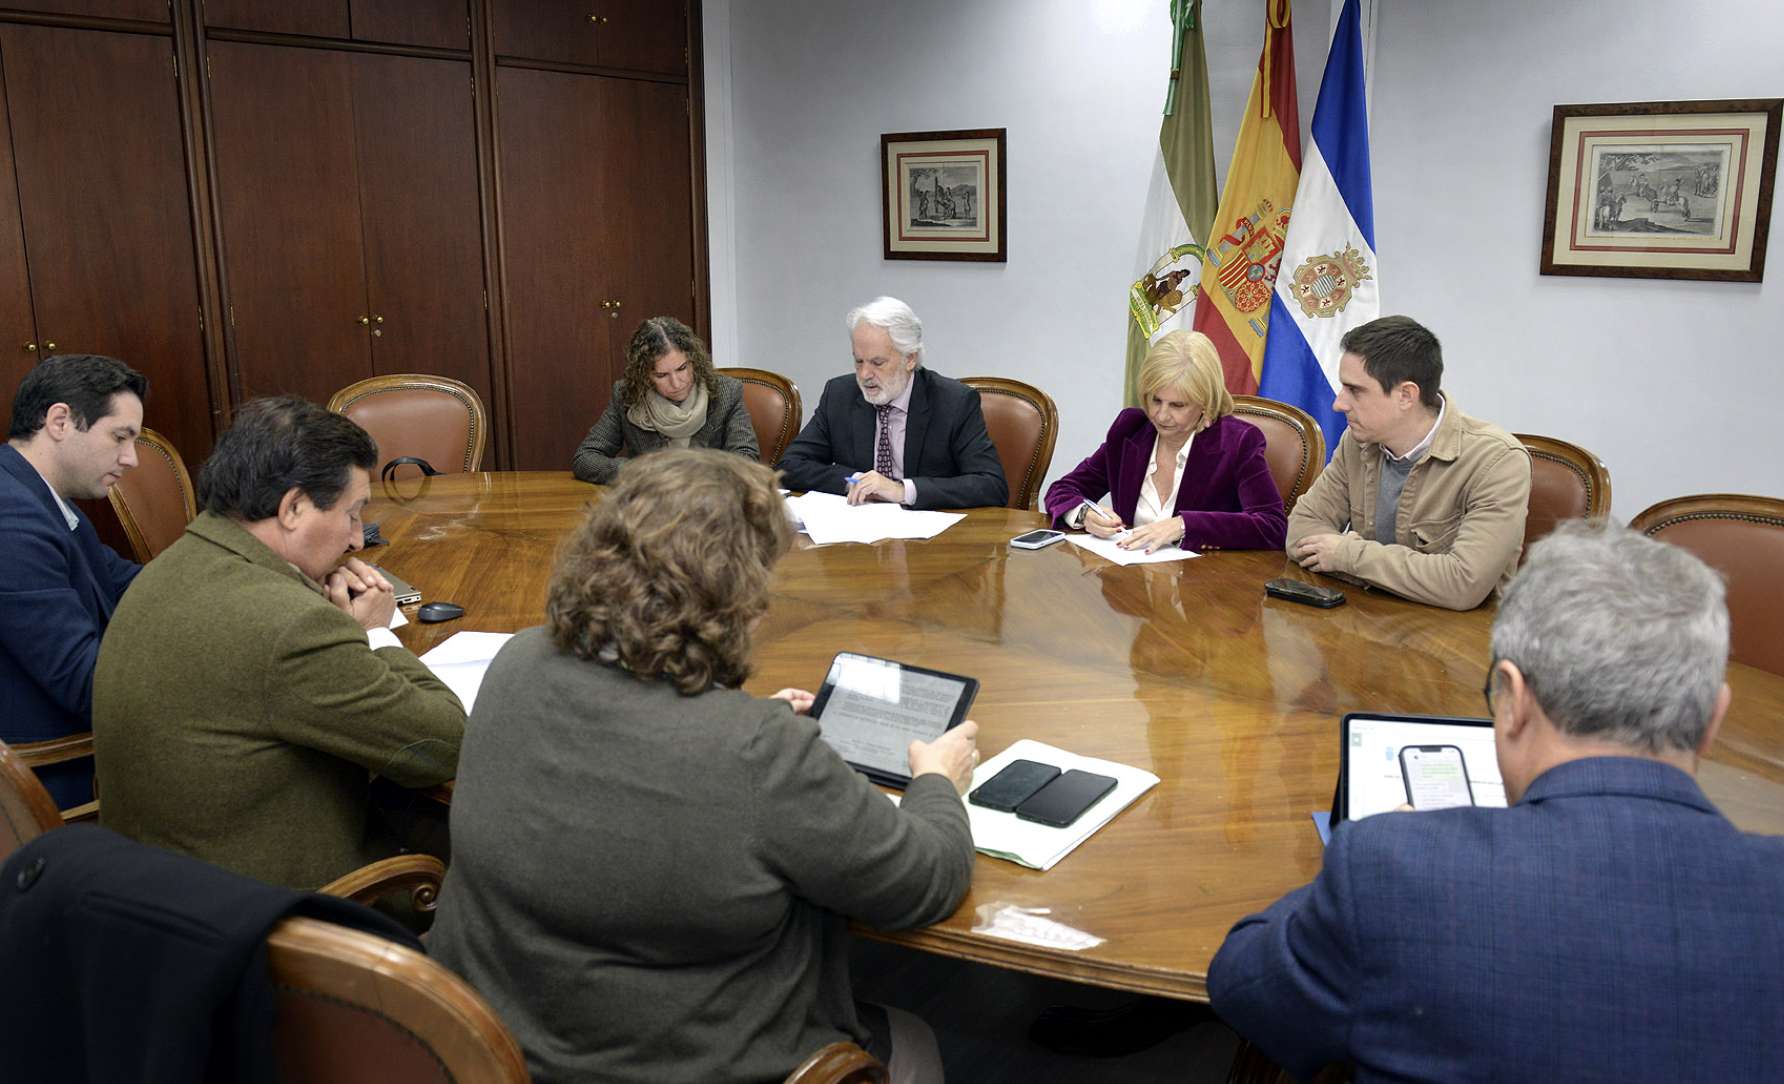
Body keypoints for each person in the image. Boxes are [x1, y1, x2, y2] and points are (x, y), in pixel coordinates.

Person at [429, 448, 978, 1084]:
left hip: (484, 1044)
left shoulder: (518, 664)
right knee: (914, 1041)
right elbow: (923, 883)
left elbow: (633, 754)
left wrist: (736, 719)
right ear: (736, 591)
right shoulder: (758, 752)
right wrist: (937, 780)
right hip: (675, 1061)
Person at [1207, 523, 1784, 1083]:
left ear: (1512, 701)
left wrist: (1373, 855)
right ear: (1714, 718)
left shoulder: (1396, 871)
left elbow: (1241, 985)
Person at [92, 397, 465, 891]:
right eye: (353, 514)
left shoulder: (176, 563)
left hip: (160, 885)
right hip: (274, 918)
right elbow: (446, 745)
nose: (357, 540)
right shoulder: (291, 626)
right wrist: (374, 632)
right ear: (292, 508)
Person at [1285, 315, 1530, 610]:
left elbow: (1462, 584)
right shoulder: (1357, 441)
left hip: (1455, 642)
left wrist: (1348, 555)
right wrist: (1401, 573)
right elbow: (1301, 531)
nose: (1339, 403)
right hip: (1367, 622)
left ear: (1405, 395)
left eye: (1355, 390)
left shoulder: (1498, 461)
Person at [0, 354, 147, 809]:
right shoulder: (11, 519)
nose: (132, 458)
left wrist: (263, 579)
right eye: (120, 437)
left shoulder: (36, 495)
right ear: (60, 420)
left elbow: (127, 582)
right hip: (51, 780)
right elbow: (86, 682)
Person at [1043, 329, 1285, 553]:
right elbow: (1062, 490)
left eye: (1177, 405)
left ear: (1206, 404)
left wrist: (1183, 526)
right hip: (1129, 583)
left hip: (1202, 589)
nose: (1160, 415)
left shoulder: (1238, 442)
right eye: (1156, 400)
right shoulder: (1129, 430)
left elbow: (1272, 526)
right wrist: (1084, 513)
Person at [777, 296, 1008, 509]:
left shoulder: (953, 402)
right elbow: (789, 466)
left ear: (910, 359)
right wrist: (857, 481)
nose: (865, 374)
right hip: (856, 537)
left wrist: (900, 490)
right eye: (859, 361)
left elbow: (990, 485)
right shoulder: (840, 395)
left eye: (877, 363)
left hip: (931, 542)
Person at [571, 316, 759, 483]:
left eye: (682, 368)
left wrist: (695, 476)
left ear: (693, 360)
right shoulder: (627, 396)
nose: (676, 383)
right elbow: (586, 458)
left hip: (710, 505)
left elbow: (746, 458)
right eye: (661, 375)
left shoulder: (726, 392)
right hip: (651, 507)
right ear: (644, 375)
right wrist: (637, 471)